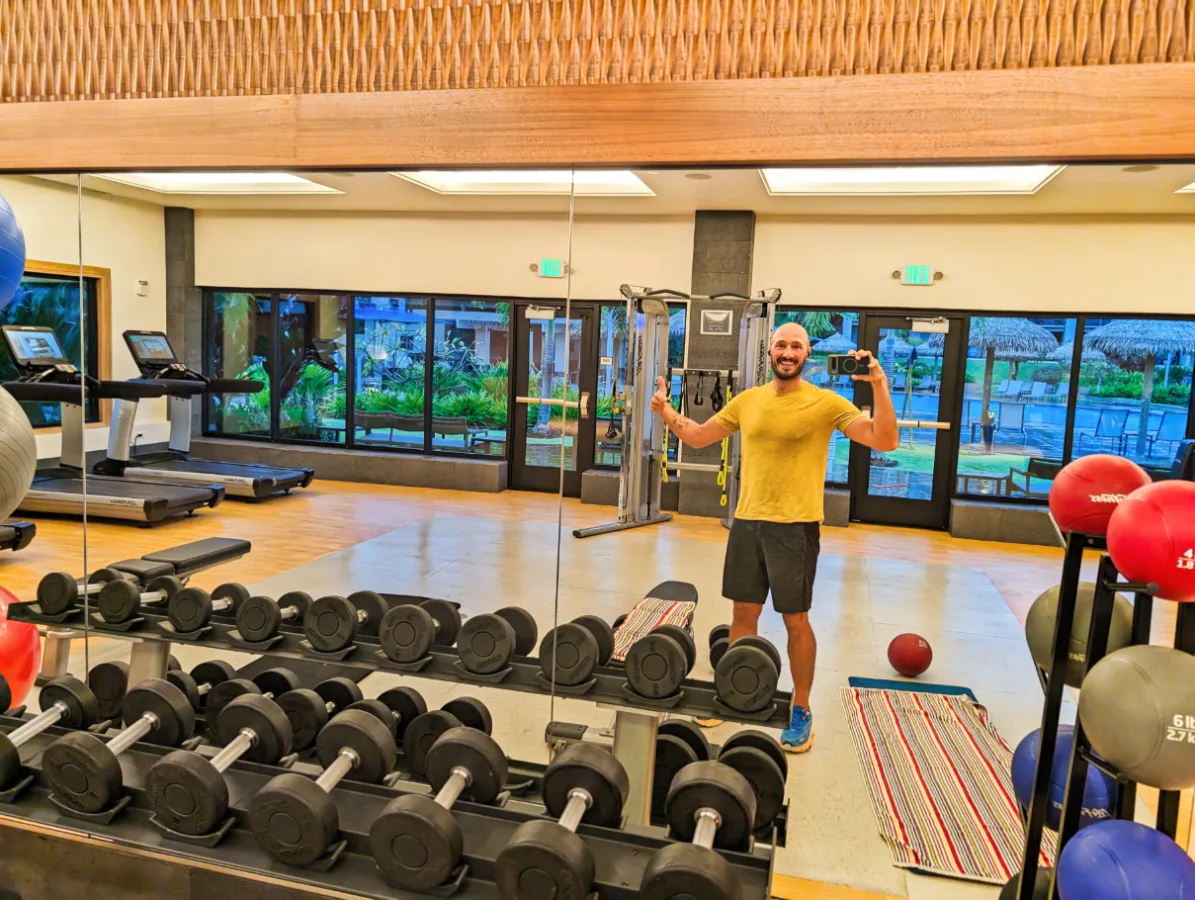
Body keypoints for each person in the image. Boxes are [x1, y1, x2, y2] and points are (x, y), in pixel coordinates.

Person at [650, 322, 898, 752]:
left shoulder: (824, 403)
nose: (788, 352)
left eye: (796, 346)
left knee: (795, 621)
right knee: (743, 615)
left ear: (806, 355)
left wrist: (879, 384)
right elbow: (699, 435)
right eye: (781, 345)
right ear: (770, 352)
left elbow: (885, 440)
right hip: (748, 523)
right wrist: (664, 411)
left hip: (796, 527)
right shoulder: (749, 401)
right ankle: (732, 689)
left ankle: (801, 707)